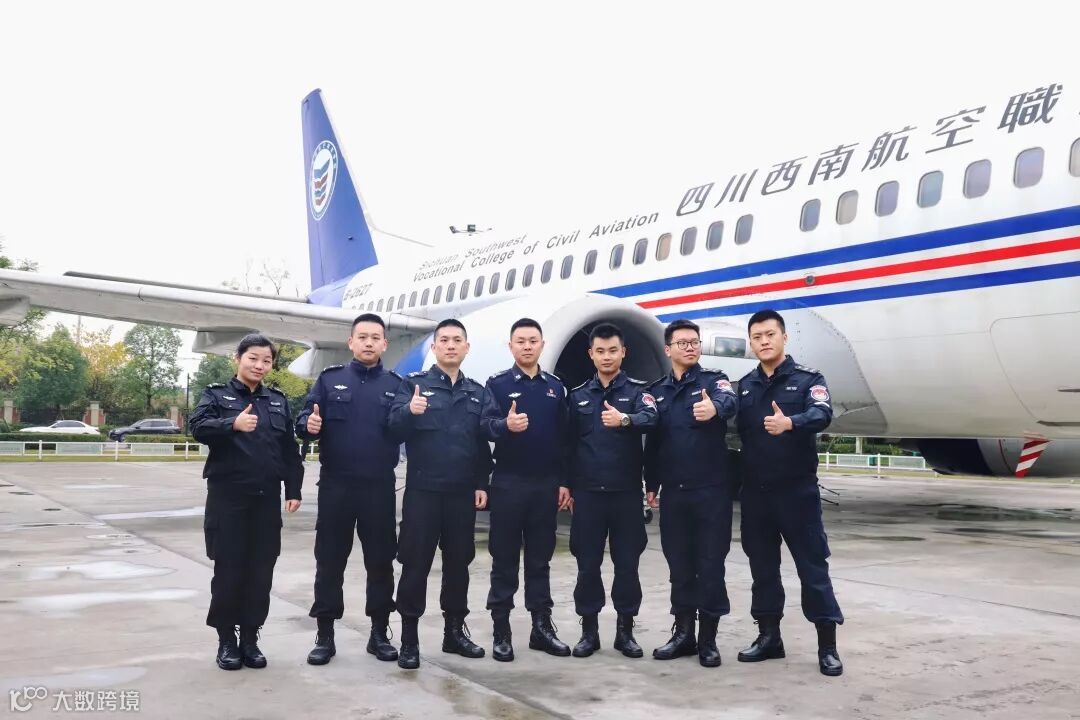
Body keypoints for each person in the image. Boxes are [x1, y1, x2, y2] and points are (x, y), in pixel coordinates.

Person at [735, 309, 844, 677]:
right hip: (756, 495)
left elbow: (823, 413)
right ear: (751, 343)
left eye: (770, 334)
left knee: (813, 570)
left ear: (784, 337)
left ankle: (827, 647)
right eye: (757, 337)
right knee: (763, 570)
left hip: (797, 493)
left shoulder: (808, 380)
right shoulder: (745, 386)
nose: (764, 341)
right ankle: (769, 638)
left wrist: (791, 423)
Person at [189, 333, 304, 671]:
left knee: (260, 572)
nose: (259, 365)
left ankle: (251, 639)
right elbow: (197, 428)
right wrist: (232, 424)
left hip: (266, 500)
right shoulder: (216, 395)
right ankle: (227, 640)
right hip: (228, 498)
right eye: (253, 358)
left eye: (266, 360)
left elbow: (289, 451)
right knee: (228, 571)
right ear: (237, 358)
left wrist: (293, 490)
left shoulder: (278, 401)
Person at [295, 313, 402, 665]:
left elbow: (406, 428)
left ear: (384, 344)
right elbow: (303, 420)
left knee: (381, 563)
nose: (369, 342)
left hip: (378, 488)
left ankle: (379, 633)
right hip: (336, 486)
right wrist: (308, 425)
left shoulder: (396, 385)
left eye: (376, 337)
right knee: (329, 561)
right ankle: (325, 635)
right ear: (351, 342)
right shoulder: (330, 380)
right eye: (363, 337)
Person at [388, 319, 492, 669]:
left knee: (459, 565)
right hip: (424, 493)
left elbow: (481, 444)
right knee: (415, 565)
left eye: (457, 340)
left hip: (461, 495)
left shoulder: (477, 392)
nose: (450, 345)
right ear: (434, 347)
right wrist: (409, 411)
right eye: (444, 340)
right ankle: (409, 639)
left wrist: (481, 483)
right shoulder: (414, 385)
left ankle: (454, 632)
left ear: (466, 347)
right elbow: (392, 428)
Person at [644, 319, 738, 668]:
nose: (690, 347)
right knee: (680, 565)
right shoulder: (657, 391)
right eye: (682, 342)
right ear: (668, 349)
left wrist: (715, 409)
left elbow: (730, 401)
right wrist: (651, 484)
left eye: (694, 342)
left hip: (710, 492)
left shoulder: (714, 381)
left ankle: (708, 640)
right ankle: (683, 633)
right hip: (675, 494)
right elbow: (653, 444)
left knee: (710, 565)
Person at [563, 323, 657, 658]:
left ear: (623, 353)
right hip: (588, 495)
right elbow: (567, 444)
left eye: (613, 350)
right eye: (600, 351)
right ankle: (589, 632)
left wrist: (625, 420)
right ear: (591, 354)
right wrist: (566, 485)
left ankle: (625, 632)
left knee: (627, 565)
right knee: (587, 566)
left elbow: (653, 418)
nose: (607, 357)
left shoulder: (639, 392)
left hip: (625, 495)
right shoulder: (577, 396)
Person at [480, 317, 571, 661]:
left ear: (542, 345)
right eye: (521, 341)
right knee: (504, 559)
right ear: (511, 346)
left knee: (540, 559)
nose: (527, 346)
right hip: (508, 483)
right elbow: (485, 426)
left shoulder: (555, 388)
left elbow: (565, 438)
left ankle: (541, 628)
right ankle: (501, 629)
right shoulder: (497, 384)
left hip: (545, 485)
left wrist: (564, 481)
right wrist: (506, 425)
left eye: (533, 341)